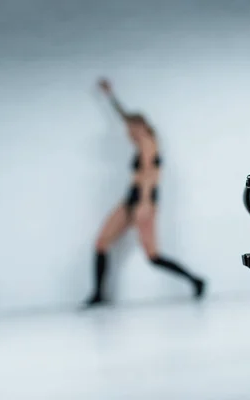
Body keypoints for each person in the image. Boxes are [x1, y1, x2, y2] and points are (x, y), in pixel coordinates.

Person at [84, 79, 206, 307]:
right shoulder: (141, 141)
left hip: (143, 201)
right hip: (130, 199)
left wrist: (145, 204)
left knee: (152, 256)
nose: (127, 132)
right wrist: (111, 98)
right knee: (101, 243)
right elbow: (126, 117)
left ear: (139, 127)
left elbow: (149, 176)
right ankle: (98, 295)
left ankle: (196, 281)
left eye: (130, 129)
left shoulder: (148, 143)